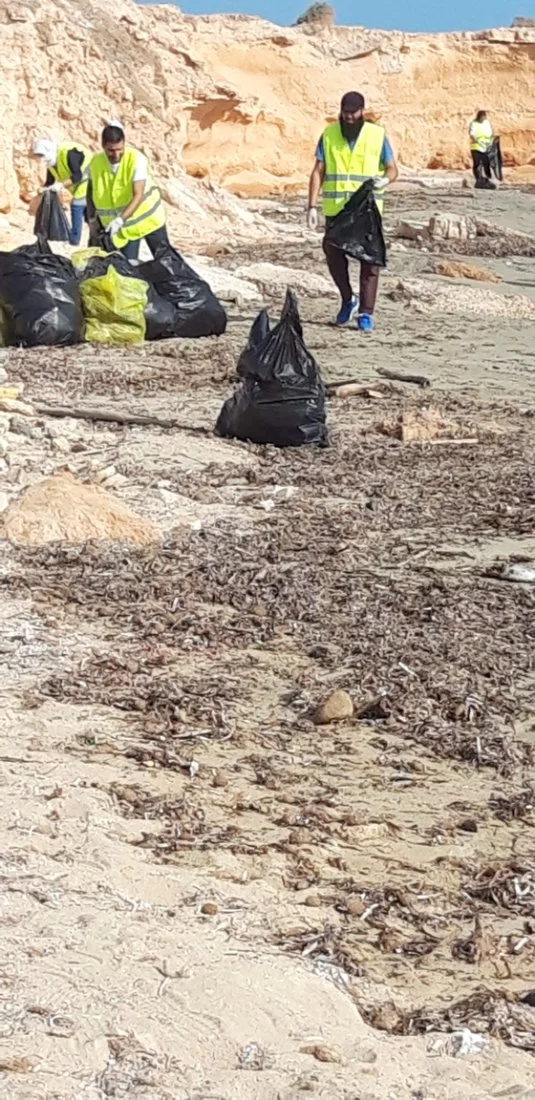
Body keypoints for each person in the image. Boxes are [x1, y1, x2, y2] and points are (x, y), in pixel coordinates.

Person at [307, 91, 398, 332]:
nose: (348, 117)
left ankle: (366, 313)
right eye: (345, 112)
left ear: (362, 112)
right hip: (337, 208)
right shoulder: (329, 135)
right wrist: (311, 206)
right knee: (332, 252)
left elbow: (392, 168)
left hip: (367, 209)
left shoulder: (377, 135)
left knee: (370, 261)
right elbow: (318, 171)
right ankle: (348, 299)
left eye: (353, 112)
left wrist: (385, 180)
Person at [87, 122, 169, 260]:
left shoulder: (136, 159)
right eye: (111, 150)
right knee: (127, 266)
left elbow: (138, 194)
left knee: (166, 261)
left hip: (148, 219)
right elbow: (90, 194)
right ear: (103, 146)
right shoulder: (95, 163)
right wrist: (93, 222)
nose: (116, 154)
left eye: (120, 149)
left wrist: (120, 220)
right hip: (125, 229)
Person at [31, 138, 92, 246]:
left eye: (42, 155)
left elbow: (77, 176)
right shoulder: (51, 162)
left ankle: (74, 240)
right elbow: (50, 180)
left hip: (89, 177)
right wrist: (45, 189)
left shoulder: (68, 153)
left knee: (77, 205)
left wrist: (60, 185)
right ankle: (96, 232)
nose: (42, 159)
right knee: (88, 212)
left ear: (49, 150)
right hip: (78, 183)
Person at [469, 110, 494, 184]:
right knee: (477, 164)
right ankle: (478, 179)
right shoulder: (473, 123)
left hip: (486, 146)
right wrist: (478, 141)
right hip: (476, 147)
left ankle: (488, 178)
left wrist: (491, 142)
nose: (482, 119)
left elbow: (491, 133)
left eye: (483, 118)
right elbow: (472, 135)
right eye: (481, 118)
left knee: (487, 163)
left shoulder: (487, 123)